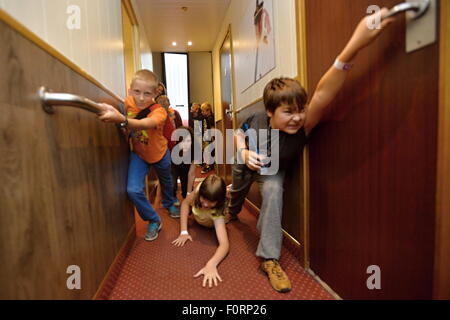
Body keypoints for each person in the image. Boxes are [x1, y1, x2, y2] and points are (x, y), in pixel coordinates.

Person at [228, 9, 397, 293]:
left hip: (273, 172)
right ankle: (231, 211)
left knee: (271, 190)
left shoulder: (304, 125)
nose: (297, 117)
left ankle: (269, 258)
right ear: (270, 112)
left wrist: (356, 44)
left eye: (300, 110)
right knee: (236, 192)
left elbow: (323, 93)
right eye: (288, 112)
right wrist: (244, 152)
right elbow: (236, 132)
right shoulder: (257, 119)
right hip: (248, 163)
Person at [97, 69, 180, 241]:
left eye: (147, 93)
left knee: (167, 182)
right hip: (139, 155)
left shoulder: (159, 111)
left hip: (160, 153)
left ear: (155, 93)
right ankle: (154, 219)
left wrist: (123, 120)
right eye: (137, 92)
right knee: (133, 190)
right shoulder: (127, 103)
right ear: (130, 90)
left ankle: (169, 203)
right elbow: (119, 113)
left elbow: (146, 123)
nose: (141, 98)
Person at [172, 175, 231, 287]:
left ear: (218, 202)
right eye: (203, 199)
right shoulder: (199, 191)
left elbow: (224, 245)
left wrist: (211, 264)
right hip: (198, 219)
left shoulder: (217, 213)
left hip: (211, 224)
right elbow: (185, 203)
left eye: (210, 202)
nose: (205, 204)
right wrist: (184, 231)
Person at [171, 126, 199, 205]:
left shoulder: (195, 149)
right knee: (172, 185)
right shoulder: (173, 150)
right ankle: (172, 197)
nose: (186, 144)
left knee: (186, 193)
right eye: (182, 141)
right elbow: (167, 172)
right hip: (174, 166)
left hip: (186, 168)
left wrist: (188, 194)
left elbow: (191, 173)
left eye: (188, 141)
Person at [200, 102, 215, 174]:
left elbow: (212, 128)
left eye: (203, 111)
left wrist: (213, 139)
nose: (202, 112)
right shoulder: (206, 117)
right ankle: (208, 165)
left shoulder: (210, 118)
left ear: (208, 110)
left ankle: (208, 165)